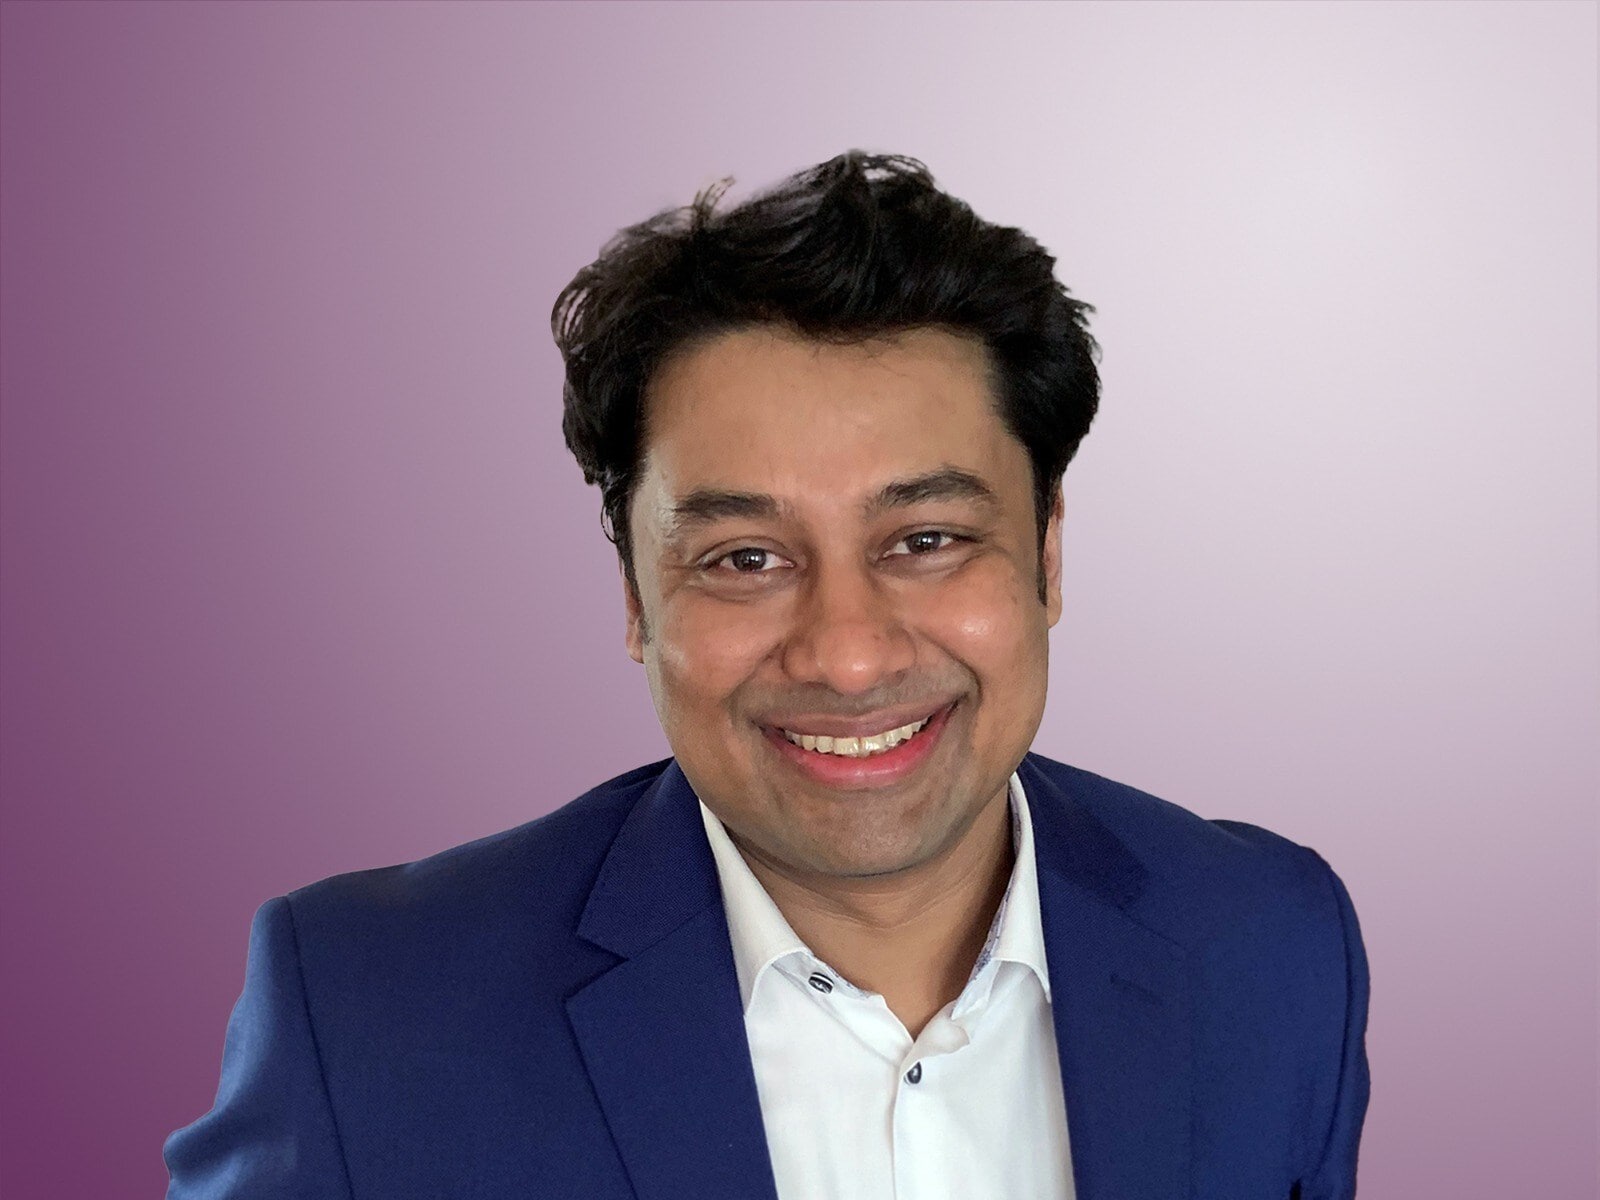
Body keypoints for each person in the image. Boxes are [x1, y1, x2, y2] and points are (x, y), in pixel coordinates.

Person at [164, 152, 1370, 1199]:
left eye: (926, 540)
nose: (847, 654)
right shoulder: (367, 1010)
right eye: (745, 558)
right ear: (635, 596)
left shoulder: (1270, 943)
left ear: (1047, 554)